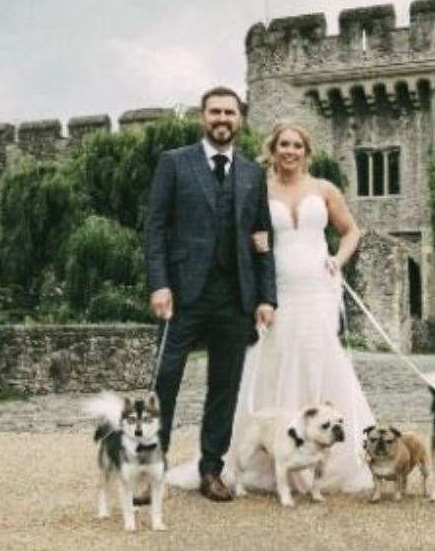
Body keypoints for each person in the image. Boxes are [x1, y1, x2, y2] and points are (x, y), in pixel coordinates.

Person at [169, 121, 375, 494]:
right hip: (276, 287)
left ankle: (323, 459)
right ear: (273, 148)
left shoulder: (324, 189)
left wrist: (338, 260)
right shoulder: (258, 189)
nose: (290, 151)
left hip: (317, 287)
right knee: (274, 361)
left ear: (306, 151)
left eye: (297, 145)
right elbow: (241, 236)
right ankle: (274, 453)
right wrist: (255, 247)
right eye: (284, 144)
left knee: (319, 358)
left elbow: (351, 231)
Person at [144, 86, 277, 502]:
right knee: (165, 378)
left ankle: (211, 469)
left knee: (225, 384)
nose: (223, 119)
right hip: (182, 294)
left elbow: (262, 238)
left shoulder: (254, 174)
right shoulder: (174, 163)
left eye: (230, 113)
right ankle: (150, 467)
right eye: (215, 112)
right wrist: (159, 283)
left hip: (235, 296)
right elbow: (155, 228)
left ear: (240, 119)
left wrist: (266, 296)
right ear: (203, 117)